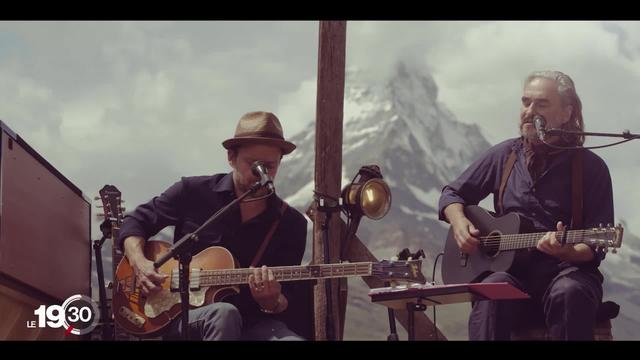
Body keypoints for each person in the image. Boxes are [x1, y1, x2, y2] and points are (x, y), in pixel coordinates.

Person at [438, 71, 613, 340]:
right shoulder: (504, 155)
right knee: (492, 290)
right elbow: (452, 194)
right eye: (525, 102)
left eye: (541, 104)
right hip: (511, 275)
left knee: (569, 292)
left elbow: (594, 247)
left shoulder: (591, 168)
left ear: (566, 113)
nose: (529, 111)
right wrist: (460, 224)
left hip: (566, 273)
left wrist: (567, 251)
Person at [118, 111, 308, 340]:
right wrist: (139, 263)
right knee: (224, 314)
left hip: (252, 325)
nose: (261, 175)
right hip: (183, 319)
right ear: (231, 157)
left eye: (269, 166)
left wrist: (273, 301)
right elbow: (135, 222)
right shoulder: (192, 192)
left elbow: (286, 297)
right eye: (253, 165)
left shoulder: (291, 223)